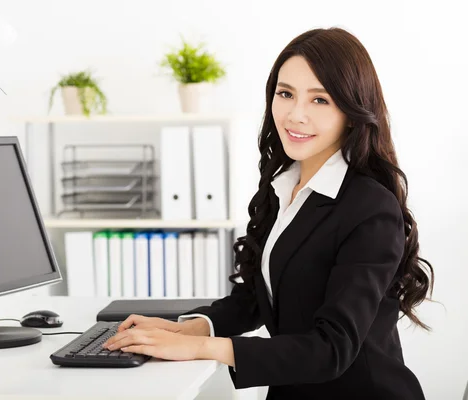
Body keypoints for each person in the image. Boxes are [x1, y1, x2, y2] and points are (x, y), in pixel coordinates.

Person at [102, 27, 434, 400]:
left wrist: (202, 349)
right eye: (285, 94)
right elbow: (259, 298)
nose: (295, 115)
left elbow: (332, 348)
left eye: (320, 100)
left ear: (352, 113)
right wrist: (189, 329)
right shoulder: (284, 188)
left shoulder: (370, 208)